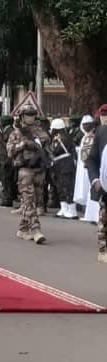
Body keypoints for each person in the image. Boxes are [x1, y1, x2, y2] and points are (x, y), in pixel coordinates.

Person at [6, 105, 50, 244]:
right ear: (22, 116)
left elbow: (48, 149)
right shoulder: (17, 133)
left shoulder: (41, 132)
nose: (30, 117)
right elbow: (10, 151)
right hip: (25, 170)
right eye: (27, 114)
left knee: (34, 201)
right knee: (29, 200)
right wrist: (22, 145)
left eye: (32, 114)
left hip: (38, 170)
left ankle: (23, 229)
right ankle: (36, 230)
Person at [85, 104, 107, 263]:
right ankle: (103, 250)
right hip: (105, 184)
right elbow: (91, 160)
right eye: (103, 116)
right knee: (105, 219)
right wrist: (95, 180)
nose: (104, 119)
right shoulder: (101, 133)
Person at [48, 118, 77, 219]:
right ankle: (64, 208)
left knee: (67, 187)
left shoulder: (63, 138)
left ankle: (71, 209)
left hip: (66, 164)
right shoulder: (60, 137)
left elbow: (56, 151)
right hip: (59, 165)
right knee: (60, 187)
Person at [74, 115, 100, 223]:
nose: (86, 127)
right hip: (83, 168)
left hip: (92, 168)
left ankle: (95, 216)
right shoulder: (84, 137)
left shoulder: (95, 137)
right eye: (84, 125)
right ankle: (89, 214)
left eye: (88, 125)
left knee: (93, 190)